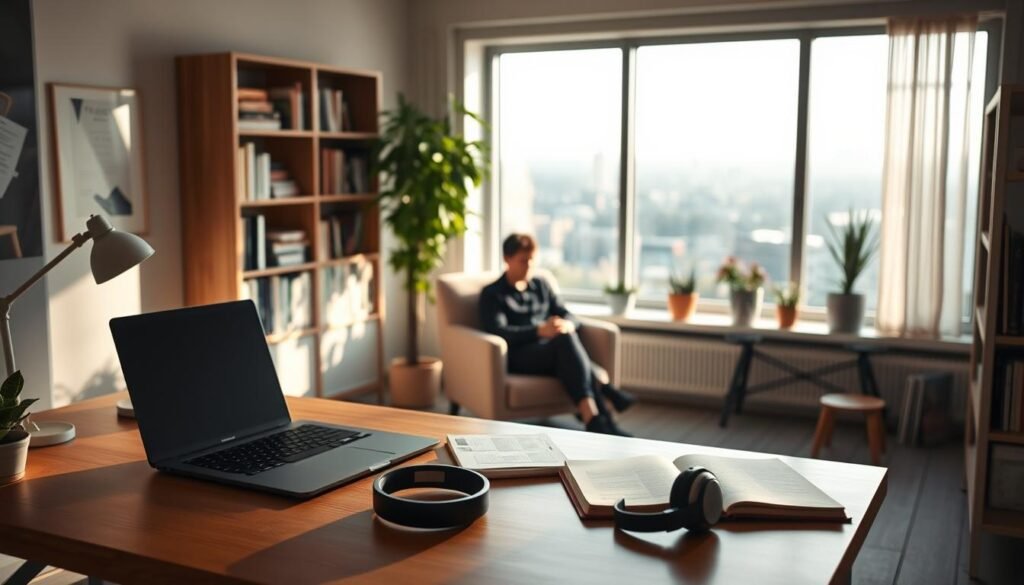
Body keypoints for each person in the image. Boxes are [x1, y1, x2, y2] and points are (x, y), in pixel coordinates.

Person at [478, 233, 634, 436]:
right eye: (523, 261)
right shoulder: (492, 294)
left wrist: (568, 324)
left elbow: (568, 314)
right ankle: (603, 393)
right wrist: (538, 330)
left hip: (552, 353)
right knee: (564, 342)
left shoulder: (541, 285)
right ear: (507, 259)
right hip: (518, 355)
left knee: (565, 337)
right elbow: (499, 331)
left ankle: (598, 422)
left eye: (532, 260)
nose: (529, 266)